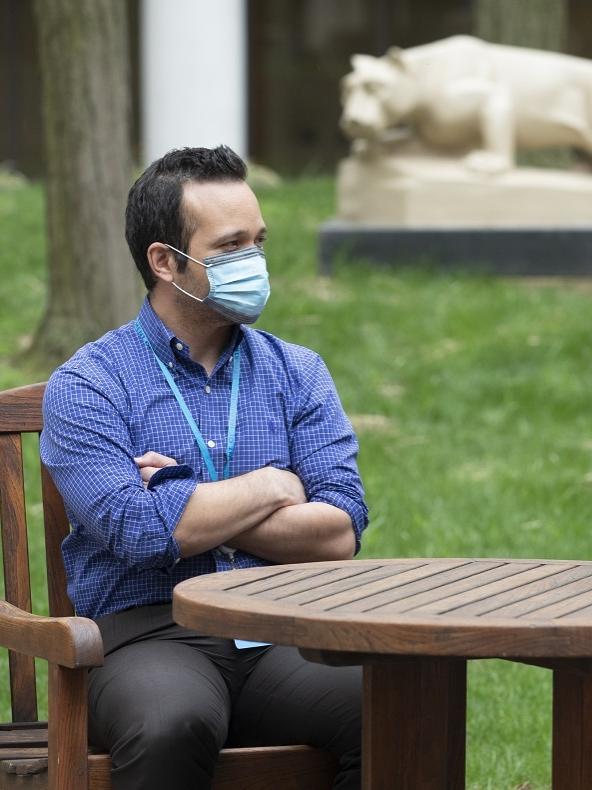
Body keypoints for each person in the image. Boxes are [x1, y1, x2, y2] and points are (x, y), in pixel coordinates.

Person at [40, 145, 368, 789]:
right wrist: (275, 487)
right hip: (149, 638)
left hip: (281, 632)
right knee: (174, 722)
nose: (255, 262)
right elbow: (137, 533)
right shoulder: (91, 383)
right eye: (231, 246)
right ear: (165, 261)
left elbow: (339, 532)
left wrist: (181, 492)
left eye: (259, 242)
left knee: (395, 704)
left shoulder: (297, 372)